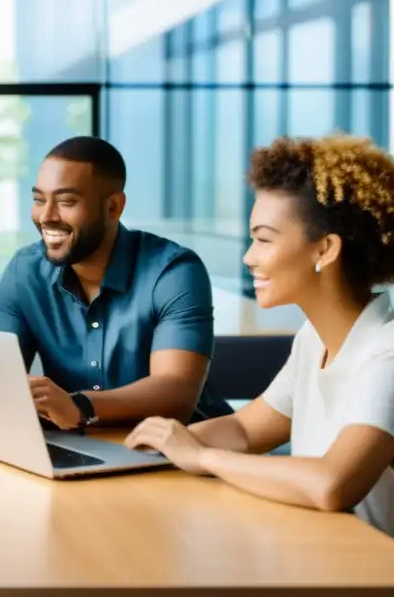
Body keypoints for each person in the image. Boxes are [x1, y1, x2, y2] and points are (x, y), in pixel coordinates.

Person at [126, 134, 394, 536]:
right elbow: (245, 430)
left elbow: (331, 484)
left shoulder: (385, 353)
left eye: (264, 239)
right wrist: (159, 446)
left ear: (325, 250)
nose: (249, 257)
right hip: (321, 554)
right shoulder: (314, 339)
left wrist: (204, 458)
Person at [0, 136, 231, 431]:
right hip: (77, 446)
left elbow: (176, 392)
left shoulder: (173, 271)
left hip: (178, 450)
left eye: (66, 201)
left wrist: (78, 406)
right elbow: (0, 380)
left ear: (113, 207)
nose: (47, 216)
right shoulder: (24, 272)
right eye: (39, 200)